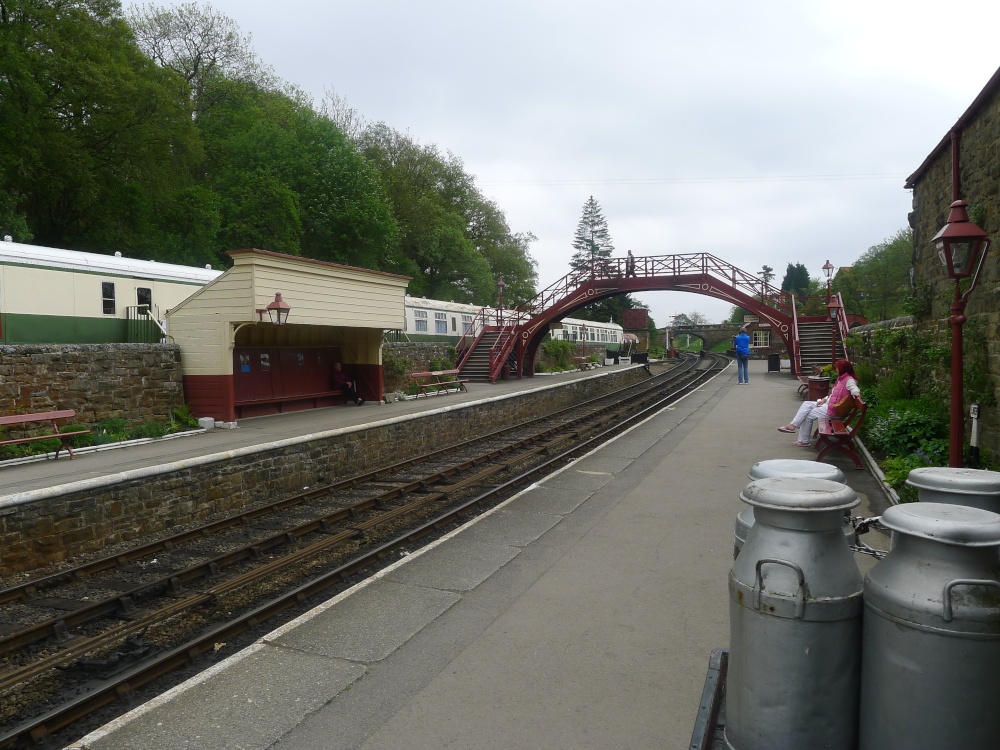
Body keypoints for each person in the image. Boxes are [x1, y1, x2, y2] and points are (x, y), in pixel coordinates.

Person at [779, 359, 860, 447]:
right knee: (807, 404)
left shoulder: (849, 380)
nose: (836, 370)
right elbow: (833, 394)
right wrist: (824, 399)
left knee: (807, 415)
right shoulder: (841, 379)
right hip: (829, 405)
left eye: (838, 368)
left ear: (843, 369)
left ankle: (802, 439)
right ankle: (793, 426)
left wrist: (856, 393)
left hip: (833, 410)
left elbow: (853, 387)